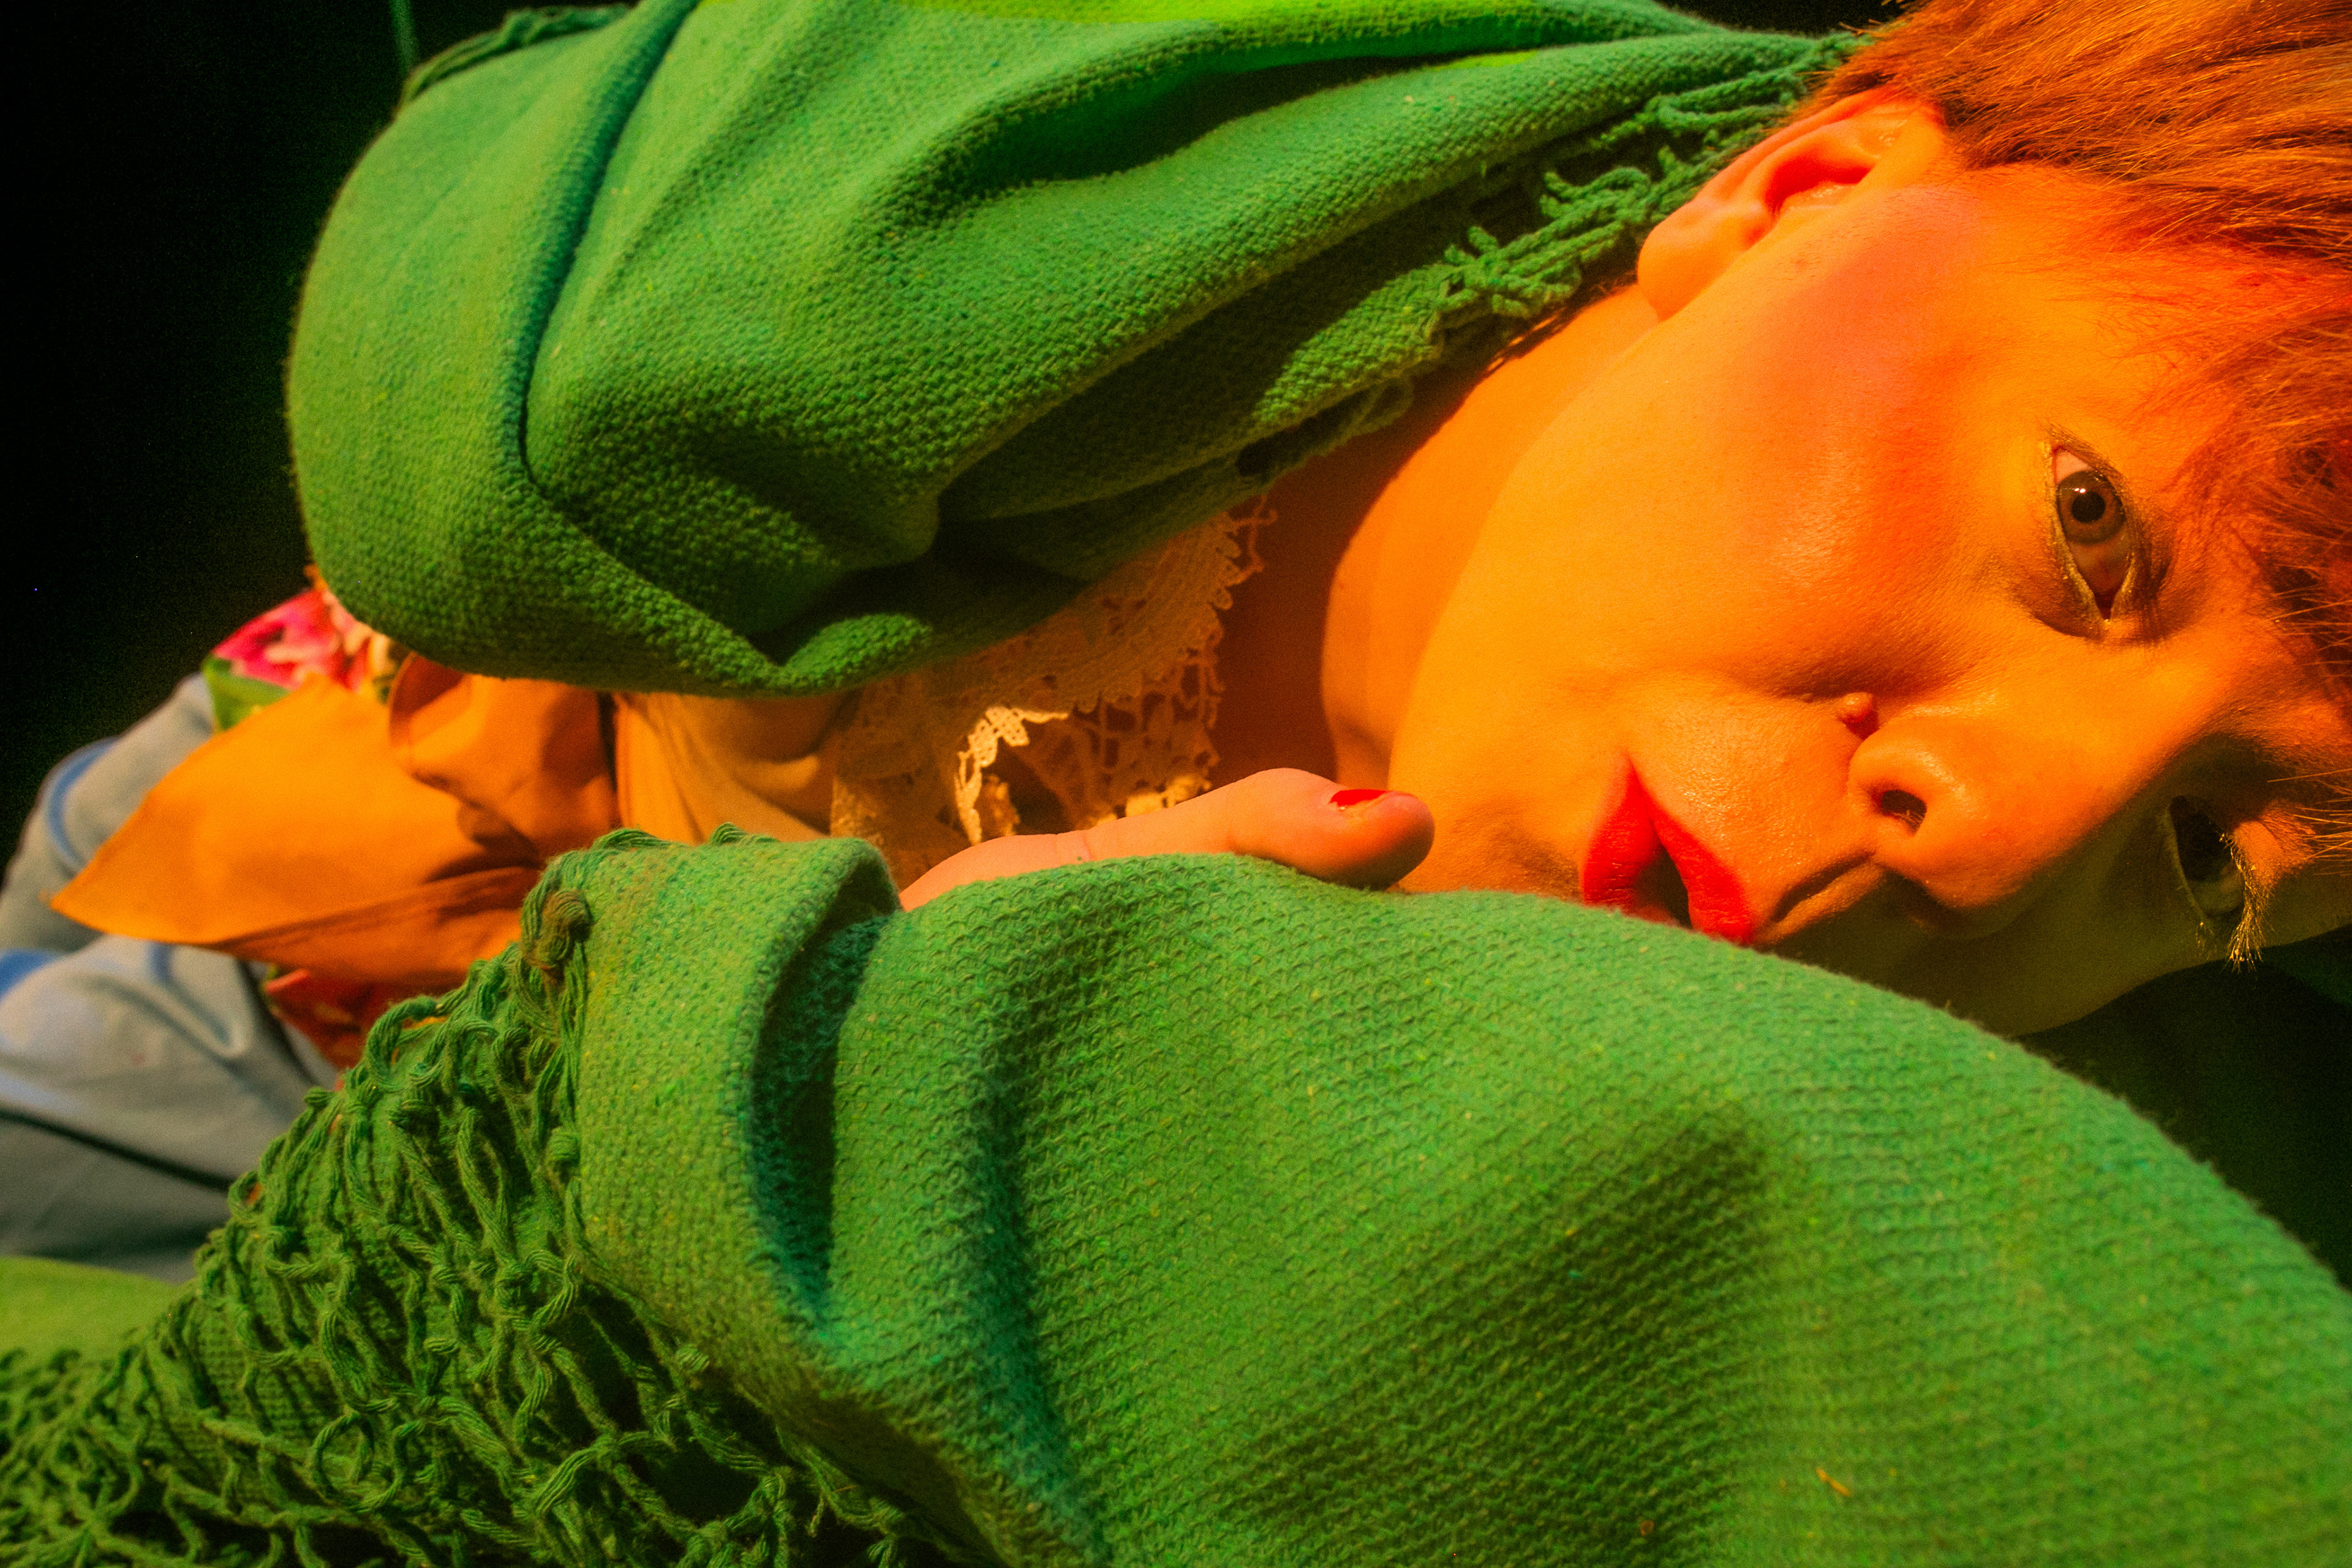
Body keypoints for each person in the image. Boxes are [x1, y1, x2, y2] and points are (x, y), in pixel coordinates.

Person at [5, 0, 2348, 1559]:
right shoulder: (1189, 138)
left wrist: (872, 1147)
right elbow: (507, 326)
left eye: (2209, 857)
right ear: (1803, 194)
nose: (2015, 829)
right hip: (345, 817)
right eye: (2091, 531)